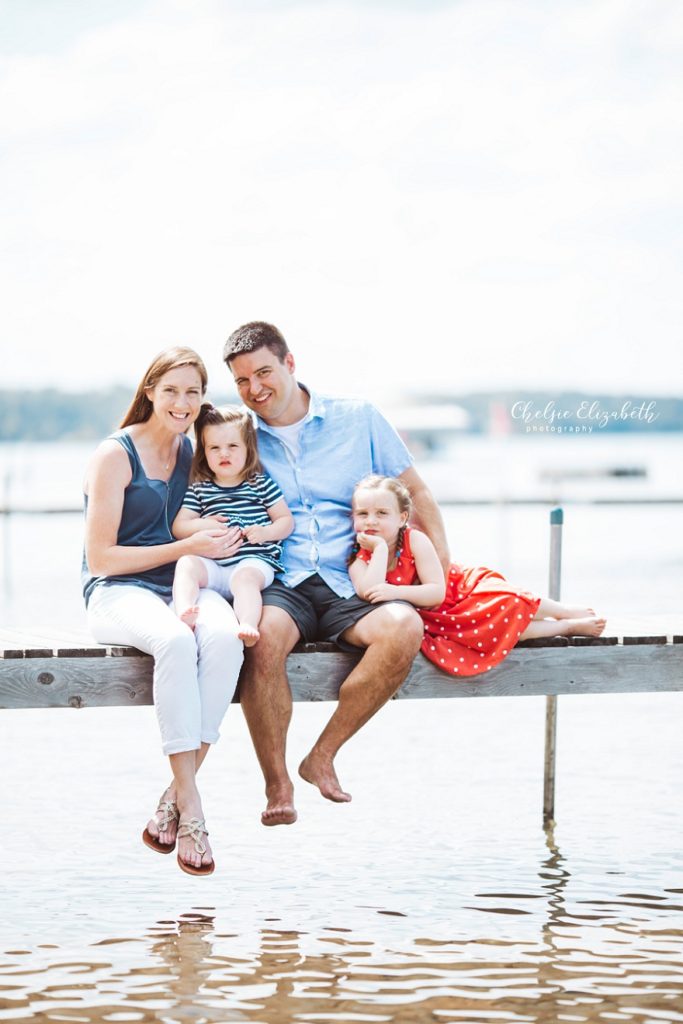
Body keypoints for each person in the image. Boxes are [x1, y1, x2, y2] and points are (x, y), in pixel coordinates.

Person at [222, 321, 451, 826]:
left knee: (405, 627)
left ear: (290, 363)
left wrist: (443, 571)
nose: (255, 389)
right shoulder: (237, 435)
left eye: (264, 372)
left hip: (358, 580)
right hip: (284, 581)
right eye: (242, 381)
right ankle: (277, 782)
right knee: (260, 639)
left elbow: (421, 494)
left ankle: (322, 755)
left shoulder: (359, 418)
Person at [83, 347, 245, 876]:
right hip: (117, 590)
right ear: (149, 390)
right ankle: (193, 807)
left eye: (193, 392)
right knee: (176, 642)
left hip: (183, 586)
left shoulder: (195, 449)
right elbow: (101, 557)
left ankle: (173, 797)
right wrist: (184, 548)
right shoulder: (115, 455)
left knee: (226, 639)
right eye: (172, 390)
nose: (183, 402)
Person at [349, 474, 606, 676]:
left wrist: (395, 592)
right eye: (363, 514)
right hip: (436, 617)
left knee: (507, 601)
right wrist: (380, 549)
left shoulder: (414, 539)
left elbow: (435, 591)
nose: (371, 521)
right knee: (486, 630)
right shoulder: (358, 559)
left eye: (382, 513)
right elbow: (370, 592)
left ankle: (562, 610)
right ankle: (565, 627)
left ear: (402, 517)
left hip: (459, 591)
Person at [171, 404, 294, 646]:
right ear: (204, 452)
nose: (223, 454)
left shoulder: (260, 484)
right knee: (186, 564)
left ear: (248, 449)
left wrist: (266, 532)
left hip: (253, 562)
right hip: (215, 566)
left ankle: (248, 623)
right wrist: (202, 524)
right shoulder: (201, 488)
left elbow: (286, 520)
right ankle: (185, 611)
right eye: (214, 448)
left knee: (245, 580)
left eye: (232, 446)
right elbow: (179, 527)